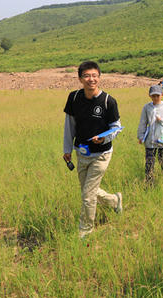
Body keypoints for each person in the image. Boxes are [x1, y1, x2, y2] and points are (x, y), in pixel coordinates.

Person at [63, 61, 123, 239]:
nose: (91, 79)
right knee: (88, 191)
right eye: (87, 76)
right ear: (80, 78)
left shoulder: (108, 101)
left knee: (87, 196)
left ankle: (85, 231)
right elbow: (69, 125)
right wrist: (67, 149)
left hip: (102, 154)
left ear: (99, 77)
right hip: (81, 153)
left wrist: (104, 138)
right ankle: (114, 200)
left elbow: (116, 127)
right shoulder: (74, 98)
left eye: (94, 76)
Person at [137, 85, 163, 184]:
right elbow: (143, 122)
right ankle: (149, 183)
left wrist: (162, 120)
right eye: (153, 96)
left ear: (162, 95)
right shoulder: (147, 107)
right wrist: (141, 136)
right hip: (150, 140)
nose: (155, 98)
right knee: (149, 163)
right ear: (150, 96)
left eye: (157, 96)